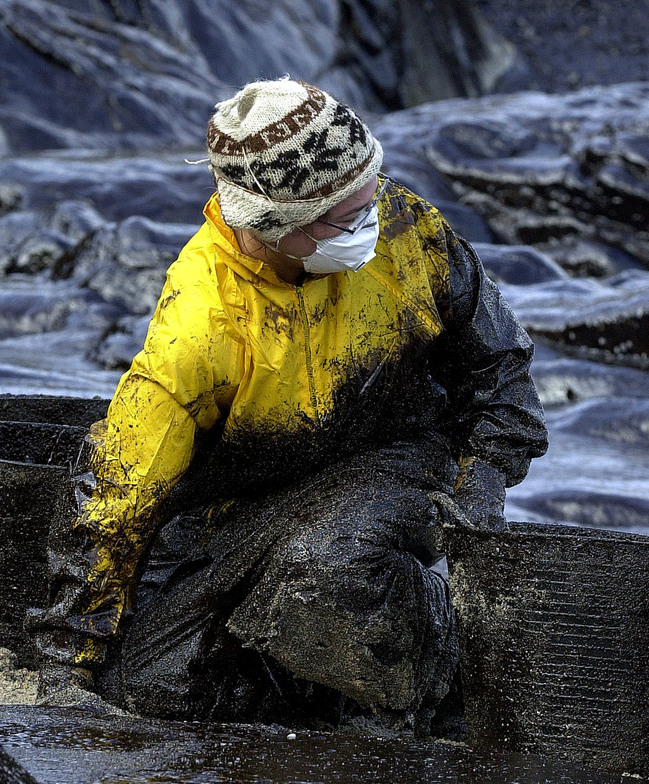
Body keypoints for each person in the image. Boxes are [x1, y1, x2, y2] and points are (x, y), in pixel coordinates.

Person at [28, 78, 548, 733]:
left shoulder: (408, 227)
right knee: (152, 688)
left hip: (405, 456)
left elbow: (497, 364)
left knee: (325, 564)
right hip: (255, 501)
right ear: (273, 223)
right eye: (345, 214)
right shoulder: (201, 325)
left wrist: (485, 481)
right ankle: (334, 691)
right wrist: (65, 669)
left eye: (372, 190)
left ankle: (445, 663)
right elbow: (116, 489)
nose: (373, 216)